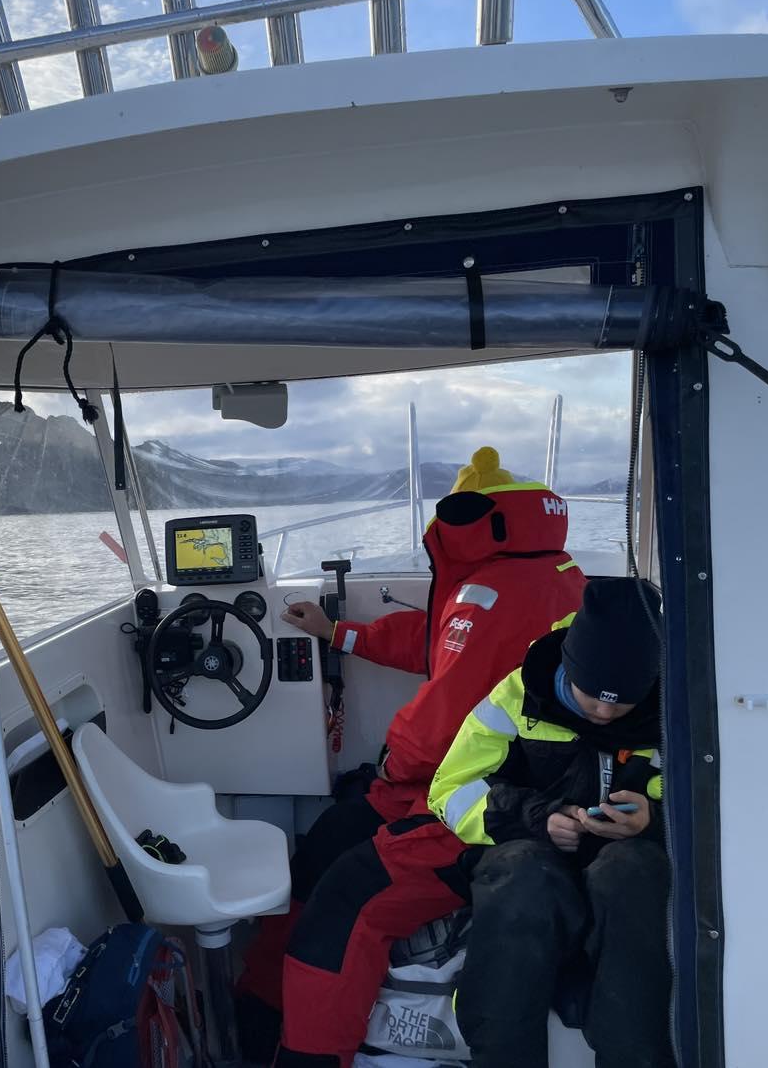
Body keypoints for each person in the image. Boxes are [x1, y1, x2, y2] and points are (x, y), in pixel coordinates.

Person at [235, 447, 586, 1066]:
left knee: (346, 899)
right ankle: (264, 1008)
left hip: (485, 797)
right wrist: (338, 632)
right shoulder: (551, 575)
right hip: (494, 778)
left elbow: (442, 712)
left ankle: (286, 1042)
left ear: (472, 519)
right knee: (326, 841)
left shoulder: (493, 590)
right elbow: (437, 643)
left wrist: (391, 767)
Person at [428, 576, 672, 1068]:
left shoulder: (677, 712)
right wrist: (540, 818)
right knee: (523, 875)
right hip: (529, 852)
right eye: (592, 695)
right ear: (569, 667)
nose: (605, 711)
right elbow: (450, 790)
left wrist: (653, 821)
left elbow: (718, 807)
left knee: (631, 873)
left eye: (623, 700)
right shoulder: (516, 696)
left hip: (627, 864)